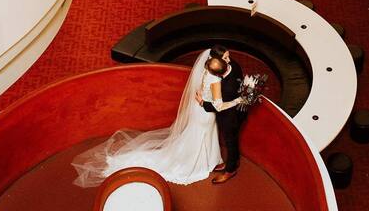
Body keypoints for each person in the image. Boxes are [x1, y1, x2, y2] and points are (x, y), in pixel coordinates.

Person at [71, 49, 242, 187]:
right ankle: (200, 162)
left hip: (203, 111)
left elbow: (206, 91)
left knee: (202, 134)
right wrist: (236, 100)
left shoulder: (208, 70)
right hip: (206, 112)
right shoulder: (216, 80)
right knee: (202, 135)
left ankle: (210, 160)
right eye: (225, 57)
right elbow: (218, 105)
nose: (228, 59)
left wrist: (203, 99)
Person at [197, 44, 246, 184]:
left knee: (230, 141)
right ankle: (232, 161)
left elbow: (218, 106)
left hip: (230, 115)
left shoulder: (223, 84)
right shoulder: (232, 65)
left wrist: (202, 103)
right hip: (234, 109)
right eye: (226, 57)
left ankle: (230, 170)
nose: (229, 59)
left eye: (227, 57)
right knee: (232, 140)